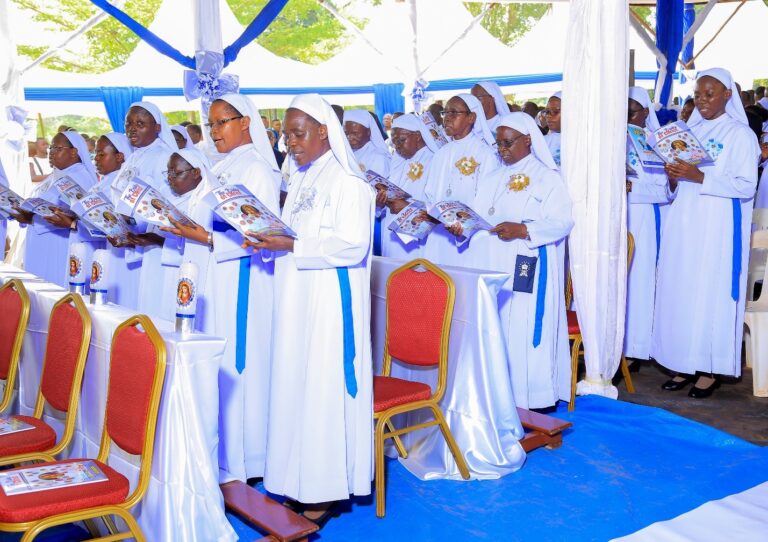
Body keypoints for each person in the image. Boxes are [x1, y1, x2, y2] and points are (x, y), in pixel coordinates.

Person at [245, 93, 374, 526]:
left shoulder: (350, 183)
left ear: (324, 131)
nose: (290, 143)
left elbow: (352, 245)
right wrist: (265, 242)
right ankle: (292, 478)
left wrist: (292, 244)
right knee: (294, 386)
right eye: (286, 135)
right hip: (296, 297)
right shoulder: (299, 179)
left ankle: (324, 488)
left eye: (298, 134)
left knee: (321, 386)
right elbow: (288, 235)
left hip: (328, 303)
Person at [653, 68, 760, 398]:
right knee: (681, 294)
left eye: (709, 93)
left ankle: (708, 370)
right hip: (683, 224)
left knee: (708, 295)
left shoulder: (740, 135)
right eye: (698, 94)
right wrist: (673, 177)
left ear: (727, 95)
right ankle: (682, 363)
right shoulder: (687, 131)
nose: (702, 100)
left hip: (717, 227)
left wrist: (699, 177)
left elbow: (746, 186)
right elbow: (673, 185)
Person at [464, 112, 573, 408]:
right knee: (498, 322)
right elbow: (479, 216)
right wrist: (461, 223)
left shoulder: (548, 177)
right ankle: (500, 393)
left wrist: (524, 229)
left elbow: (562, 221)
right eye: (498, 143)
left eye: (508, 143)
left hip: (527, 259)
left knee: (525, 323)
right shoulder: (491, 177)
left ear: (528, 140)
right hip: (493, 260)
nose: (502, 149)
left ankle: (534, 396)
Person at [200, 93, 281, 483]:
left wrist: (202, 236)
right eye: (211, 124)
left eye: (222, 122)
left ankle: (249, 456)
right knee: (221, 358)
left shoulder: (257, 170)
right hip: (219, 275)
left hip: (245, 275)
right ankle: (224, 451)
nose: (214, 131)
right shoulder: (222, 166)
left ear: (245, 121)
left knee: (241, 359)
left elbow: (260, 233)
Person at [111, 101, 177, 314]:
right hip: (130, 239)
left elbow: (168, 202)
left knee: (153, 305)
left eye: (140, 123)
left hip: (155, 243)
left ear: (157, 127)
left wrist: (136, 224)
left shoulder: (164, 156)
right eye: (129, 123)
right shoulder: (134, 157)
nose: (132, 128)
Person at [625, 87, 674, 369]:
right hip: (617, 217)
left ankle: (637, 347)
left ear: (645, 112)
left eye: (631, 112)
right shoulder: (613, 140)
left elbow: (665, 191)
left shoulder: (655, 143)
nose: (627, 118)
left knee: (640, 283)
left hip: (645, 218)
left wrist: (633, 187)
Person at [13, 131, 99, 287]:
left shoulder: (81, 176)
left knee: (52, 289)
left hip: (59, 245)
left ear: (74, 152)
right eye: (51, 148)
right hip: (40, 242)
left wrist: (33, 218)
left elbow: (77, 215)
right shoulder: (54, 175)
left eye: (57, 149)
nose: (50, 152)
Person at [422, 93, 498, 267]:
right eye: (445, 113)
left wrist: (465, 226)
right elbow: (430, 194)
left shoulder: (484, 153)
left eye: (454, 113)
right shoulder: (441, 153)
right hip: (440, 234)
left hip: (470, 237)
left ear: (471, 117)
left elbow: (487, 199)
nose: (447, 118)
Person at [381, 113, 439, 259]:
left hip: (418, 239)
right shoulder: (398, 158)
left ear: (418, 136)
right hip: (391, 232)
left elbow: (438, 204)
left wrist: (407, 206)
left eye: (401, 140)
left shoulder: (434, 160)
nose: (398, 146)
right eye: (394, 142)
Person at [543, 91, 562, 168]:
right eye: (547, 111)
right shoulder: (544, 142)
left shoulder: (585, 141)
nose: (548, 116)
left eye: (555, 112)